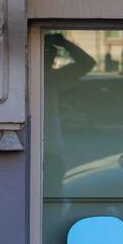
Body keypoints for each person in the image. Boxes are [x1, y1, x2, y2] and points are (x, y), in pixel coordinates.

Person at [43, 31, 95, 182]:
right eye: (46, 53)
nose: (50, 59)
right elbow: (87, 63)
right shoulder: (50, 78)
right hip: (43, 150)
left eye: (51, 55)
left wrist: (64, 43)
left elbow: (87, 63)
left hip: (51, 151)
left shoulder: (52, 78)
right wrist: (64, 43)